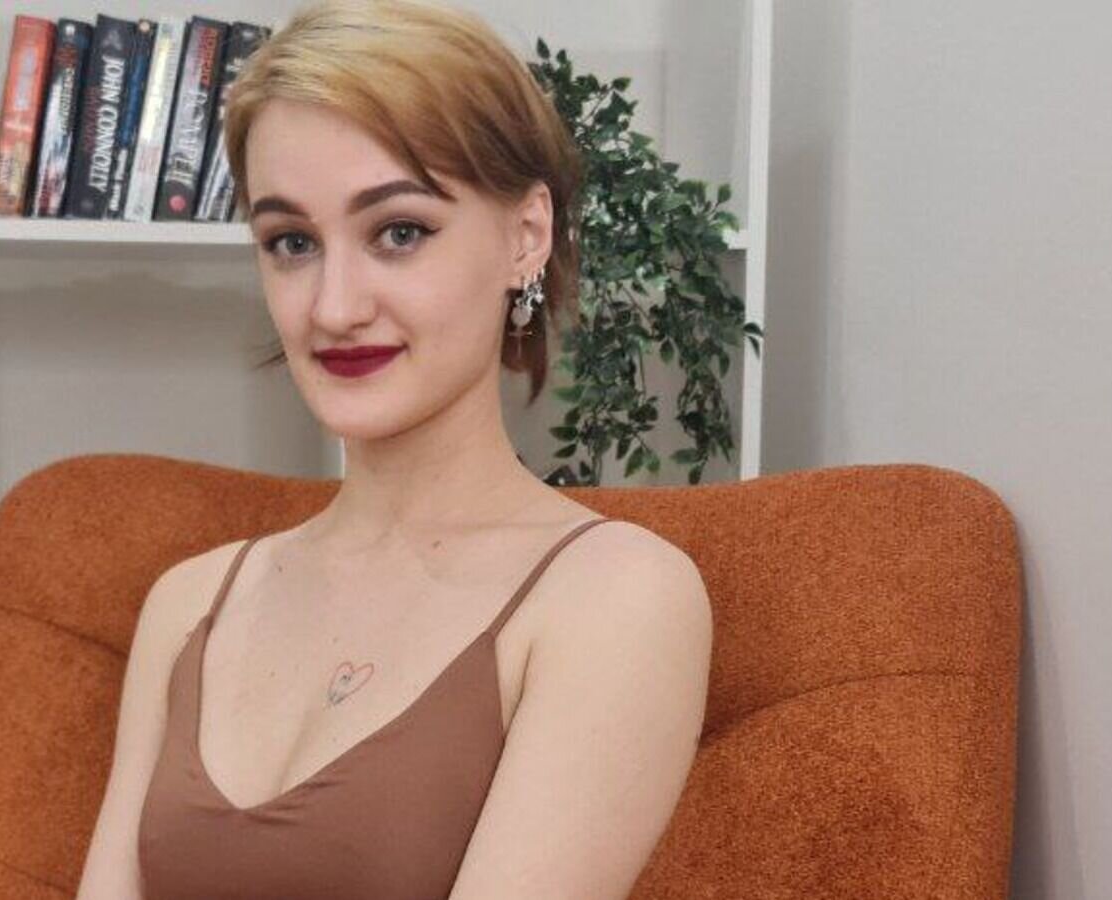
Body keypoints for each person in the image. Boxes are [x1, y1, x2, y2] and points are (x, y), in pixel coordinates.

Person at [76, 1, 712, 897]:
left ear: (526, 236)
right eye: (291, 243)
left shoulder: (617, 596)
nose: (334, 307)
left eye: (399, 231)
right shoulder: (187, 604)